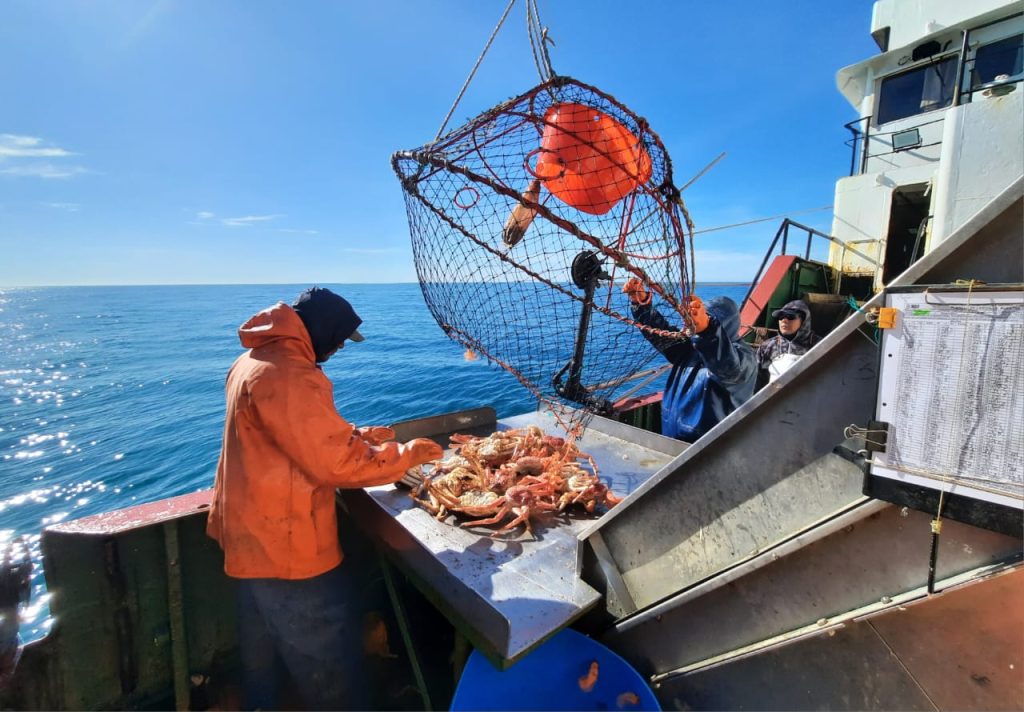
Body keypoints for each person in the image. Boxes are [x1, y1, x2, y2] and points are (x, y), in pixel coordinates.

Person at [206, 286, 443, 711]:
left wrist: (353, 435)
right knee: (328, 663)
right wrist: (407, 455)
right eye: (336, 339)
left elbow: (287, 435)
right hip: (289, 551)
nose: (336, 349)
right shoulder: (291, 376)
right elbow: (336, 467)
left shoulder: (254, 361)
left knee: (259, 657)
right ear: (319, 329)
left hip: (247, 537)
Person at [623, 279, 757, 442]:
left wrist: (708, 331)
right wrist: (641, 304)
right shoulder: (689, 348)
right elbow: (660, 334)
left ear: (721, 324)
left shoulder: (744, 357)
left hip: (708, 450)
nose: (689, 322)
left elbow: (728, 366)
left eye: (703, 318)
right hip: (672, 439)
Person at [756, 299, 821, 384]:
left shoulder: (820, 345)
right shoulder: (767, 347)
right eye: (781, 317)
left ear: (804, 321)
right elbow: (758, 381)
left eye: (790, 317)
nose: (784, 320)